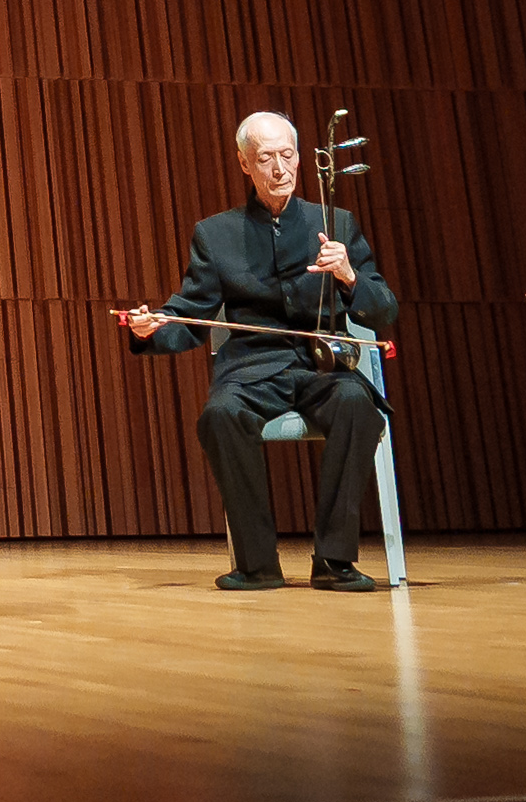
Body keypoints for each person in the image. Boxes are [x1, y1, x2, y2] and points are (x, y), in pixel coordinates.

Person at [124, 111, 398, 592]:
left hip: (324, 366)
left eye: (287, 156)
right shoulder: (217, 233)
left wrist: (350, 276)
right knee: (220, 416)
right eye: (266, 158)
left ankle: (334, 561)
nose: (279, 169)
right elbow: (190, 313)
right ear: (245, 165)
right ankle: (257, 564)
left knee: (359, 406)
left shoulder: (335, 224)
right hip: (251, 368)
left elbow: (383, 311)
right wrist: (150, 328)